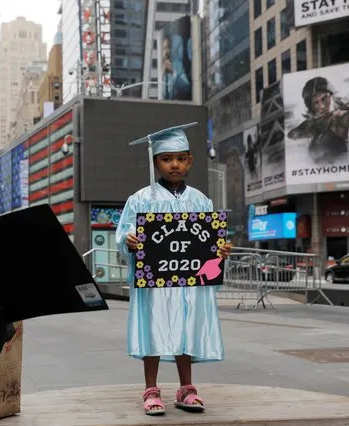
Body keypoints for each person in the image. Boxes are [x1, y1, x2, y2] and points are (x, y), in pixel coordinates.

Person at [115, 122, 231, 416]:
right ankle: (151, 389)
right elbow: (125, 232)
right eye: (167, 159)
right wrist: (128, 240)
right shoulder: (141, 199)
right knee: (154, 329)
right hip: (156, 282)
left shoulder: (200, 200)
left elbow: (209, 243)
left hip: (188, 281)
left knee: (186, 328)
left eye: (180, 158)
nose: (174, 164)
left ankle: (186, 388)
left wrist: (220, 253)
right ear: (156, 163)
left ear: (190, 160)